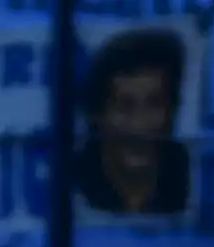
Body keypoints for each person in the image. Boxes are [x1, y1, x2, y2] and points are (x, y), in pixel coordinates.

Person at [75, 28, 189, 216]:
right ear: (97, 115)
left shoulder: (194, 179)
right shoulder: (68, 184)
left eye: (154, 104)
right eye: (125, 107)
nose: (140, 125)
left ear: (172, 110)